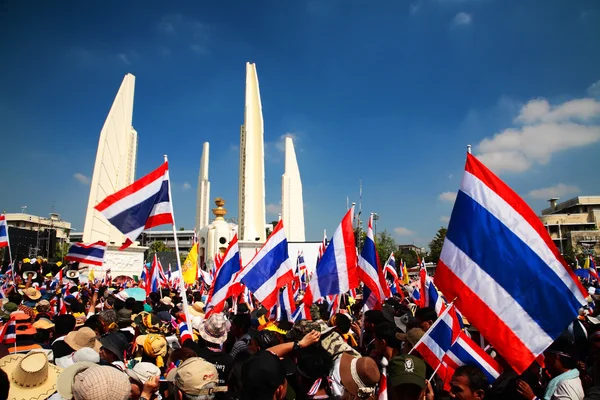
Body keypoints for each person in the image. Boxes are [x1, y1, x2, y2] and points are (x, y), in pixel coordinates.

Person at [517, 337, 584, 400]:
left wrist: (532, 398)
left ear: (555, 357)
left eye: (547, 357)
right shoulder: (564, 381)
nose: (544, 361)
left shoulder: (566, 386)